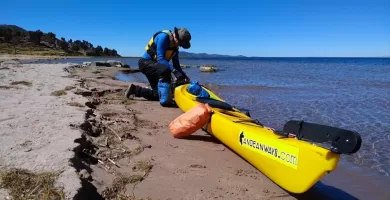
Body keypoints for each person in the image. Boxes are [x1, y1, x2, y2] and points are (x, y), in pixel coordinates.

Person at [124, 27, 191, 107]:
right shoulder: (163, 37)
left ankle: (135, 90)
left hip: (157, 68)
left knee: (157, 95)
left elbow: (176, 66)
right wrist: (174, 71)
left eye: (181, 44)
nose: (179, 45)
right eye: (180, 43)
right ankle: (166, 101)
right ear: (176, 36)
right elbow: (161, 59)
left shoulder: (175, 48)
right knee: (166, 70)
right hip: (145, 63)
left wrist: (184, 76)